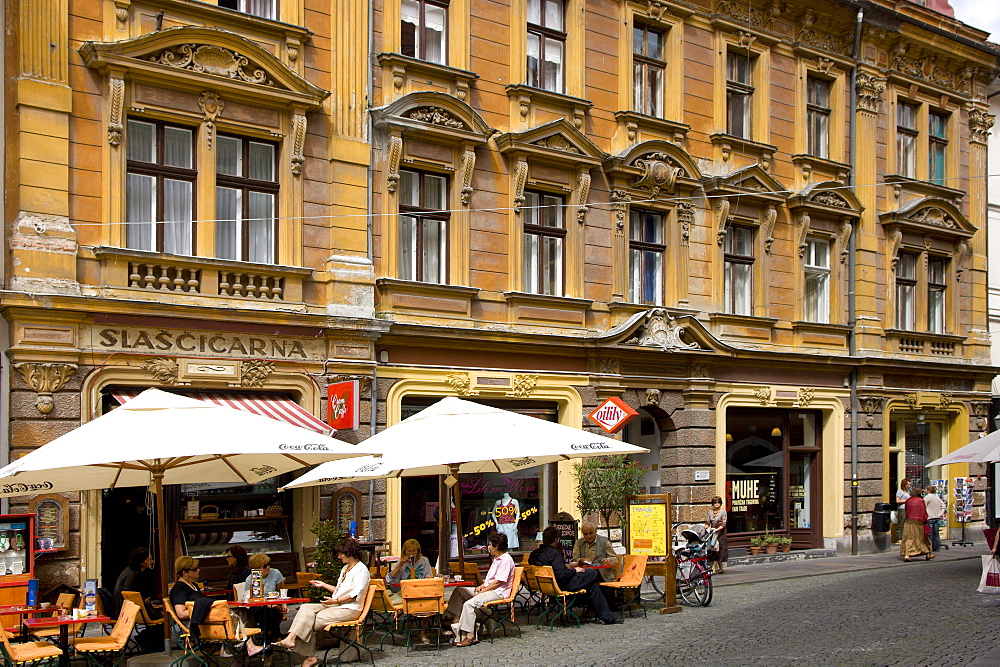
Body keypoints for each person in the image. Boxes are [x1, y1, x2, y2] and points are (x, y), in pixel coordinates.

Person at [273, 539, 370, 667]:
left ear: (349, 553)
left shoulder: (361, 570)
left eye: (341, 553)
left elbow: (353, 596)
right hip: (337, 605)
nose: (338, 556)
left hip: (349, 609)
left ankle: (309, 657)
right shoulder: (346, 568)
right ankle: (291, 638)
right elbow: (340, 591)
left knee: (310, 620)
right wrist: (323, 585)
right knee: (305, 609)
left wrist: (335, 601)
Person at [528, 526, 621, 625]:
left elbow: (554, 569)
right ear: (556, 539)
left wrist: (567, 567)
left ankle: (605, 616)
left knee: (592, 586)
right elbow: (561, 575)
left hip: (546, 587)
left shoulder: (534, 554)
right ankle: (606, 616)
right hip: (561, 585)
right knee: (592, 573)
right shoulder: (554, 553)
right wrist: (575, 571)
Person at [445, 533, 515, 647]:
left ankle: (470, 636)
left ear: (496, 546)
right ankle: (456, 620)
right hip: (488, 589)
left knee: (469, 604)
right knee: (459, 591)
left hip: (498, 592)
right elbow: (492, 580)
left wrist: (483, 591)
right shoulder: (496, 559)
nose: (489, 547)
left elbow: (498, 582)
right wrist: (483, 585)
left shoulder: (506, 560)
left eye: (490, 545)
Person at [384, 539, 433, 643]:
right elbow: (388, 580)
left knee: (430, 602)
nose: (412, 554)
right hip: (404, 592)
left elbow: (429, 577)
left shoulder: (424, 560)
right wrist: (400, 564)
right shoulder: (400, 562)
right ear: (404, 551)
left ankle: (423, 632)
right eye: (409, 551)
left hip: (421, 591)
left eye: (414, 551)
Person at [113, 547, 161, 653]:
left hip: (124, 610)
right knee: (163, 619)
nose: (152, 561)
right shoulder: (134, 575)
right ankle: (148, 642)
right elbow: (130, 595)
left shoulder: (131, 572)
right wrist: (145, 603)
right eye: (149, 559)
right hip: (129, 612)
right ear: (141, 562)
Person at [243, 553, 286, 643]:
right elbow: (249, 598)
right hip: (258, 606)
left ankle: (266, 642)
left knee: (272, 612)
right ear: (256, 568)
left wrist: (284, 605)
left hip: (274, 604)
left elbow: (281, 593)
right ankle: (275, 635)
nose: (268, 567)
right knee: (264, 612)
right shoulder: (250, 579)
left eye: (269, 564)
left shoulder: (276, 573)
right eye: (264, 566)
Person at [169, 556, 213, 642]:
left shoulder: (194, 585)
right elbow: (181, 613)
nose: (198, 570)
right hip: (192, 623)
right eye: (194, 569)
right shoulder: (180, 589)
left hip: (201, 619)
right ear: (184, 573)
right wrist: (202, 609)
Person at [899, 486, 936, 562]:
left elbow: (906, 511)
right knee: (921, 538)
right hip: (918, 522)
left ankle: (907, 554)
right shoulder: (920, 501)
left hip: (908, 521)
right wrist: (925, 519)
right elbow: (923, 512)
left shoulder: (908, 501)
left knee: (909, 537)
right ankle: (927, 553)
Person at [705, 496, 728, 575]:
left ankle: (713, 568)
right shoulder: (710, 512)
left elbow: (723, 524)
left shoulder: (723, 512)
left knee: (717, 550)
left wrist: (717, 529)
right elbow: (708, 522)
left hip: (720, 534)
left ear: (720, 503)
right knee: (715, 549)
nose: (716, 504)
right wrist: (705, 527)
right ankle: (721, 568)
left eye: (718, 502)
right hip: (713, 534)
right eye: (715, 503)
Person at [924, 485, 946, 552]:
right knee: (936, 534)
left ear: (928, 490)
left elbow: (923, 507)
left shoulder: (927, 498)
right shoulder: (937, 497)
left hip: (929, 517)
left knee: (929, 534)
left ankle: (929, 547)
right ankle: (936, 547)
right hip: (936, 517)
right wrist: (940, 514)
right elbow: (943, 506)